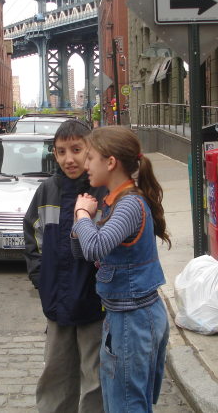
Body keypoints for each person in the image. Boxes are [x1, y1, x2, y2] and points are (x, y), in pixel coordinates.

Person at [71, 126, 171, 413]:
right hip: (123, 316)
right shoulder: (114, 201)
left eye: (90, 158)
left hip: (134, 318)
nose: (85, 165)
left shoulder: (129, 205)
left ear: (110, 162)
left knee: (127, 405)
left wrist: (81, 215)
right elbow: (83, 251)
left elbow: (95, 247)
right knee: (121, 401)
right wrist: (81, 225)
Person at [24, 119, 108, 413]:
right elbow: (32, 234)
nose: (68, 158)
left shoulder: (103, 190)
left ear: (90, 149)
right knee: (56, 372)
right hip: (57, 301)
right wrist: (41, 279)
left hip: (94, 303)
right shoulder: (47, 190)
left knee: (95, 374)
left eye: (76, 149)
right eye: (61, 152)